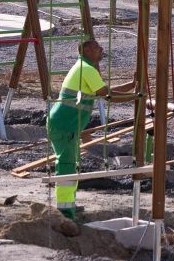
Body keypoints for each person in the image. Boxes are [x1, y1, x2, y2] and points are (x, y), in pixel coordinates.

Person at [44, 38, 132, 219]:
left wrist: (132, 86)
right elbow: (108, 96)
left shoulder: (85, 68)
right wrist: (136, 96)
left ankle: (69, 205)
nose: (101, 49)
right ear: (86, 51)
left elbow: (104, 90)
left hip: (66, 125)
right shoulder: (87, 69)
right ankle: (65, 210)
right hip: (64, 125)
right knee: (67, 165)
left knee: (72, 164)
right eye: (96, 47)